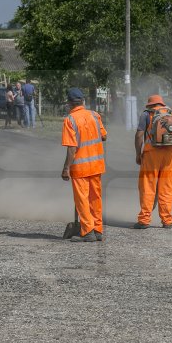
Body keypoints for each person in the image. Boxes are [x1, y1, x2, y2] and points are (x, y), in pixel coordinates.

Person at [61, 88, 107, 242]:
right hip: (96, 166)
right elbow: (104, 136)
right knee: (95, 199)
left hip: (80, 168)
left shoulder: (70, 120)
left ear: (69, 103)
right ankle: (98, 230)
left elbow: (72, 148)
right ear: (83, 101)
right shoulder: (95, 115)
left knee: (82, 199)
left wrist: (66, 168)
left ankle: (87, 232)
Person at [133, 94, 172, 229]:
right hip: (168, 155)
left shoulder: (146, 114)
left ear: (150, 105)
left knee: (148, 187)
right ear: (162, 104)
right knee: (167, 188)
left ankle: (144, 220)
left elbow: (139, 135)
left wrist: (138, 154)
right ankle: (167, 221)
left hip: (151, 154)